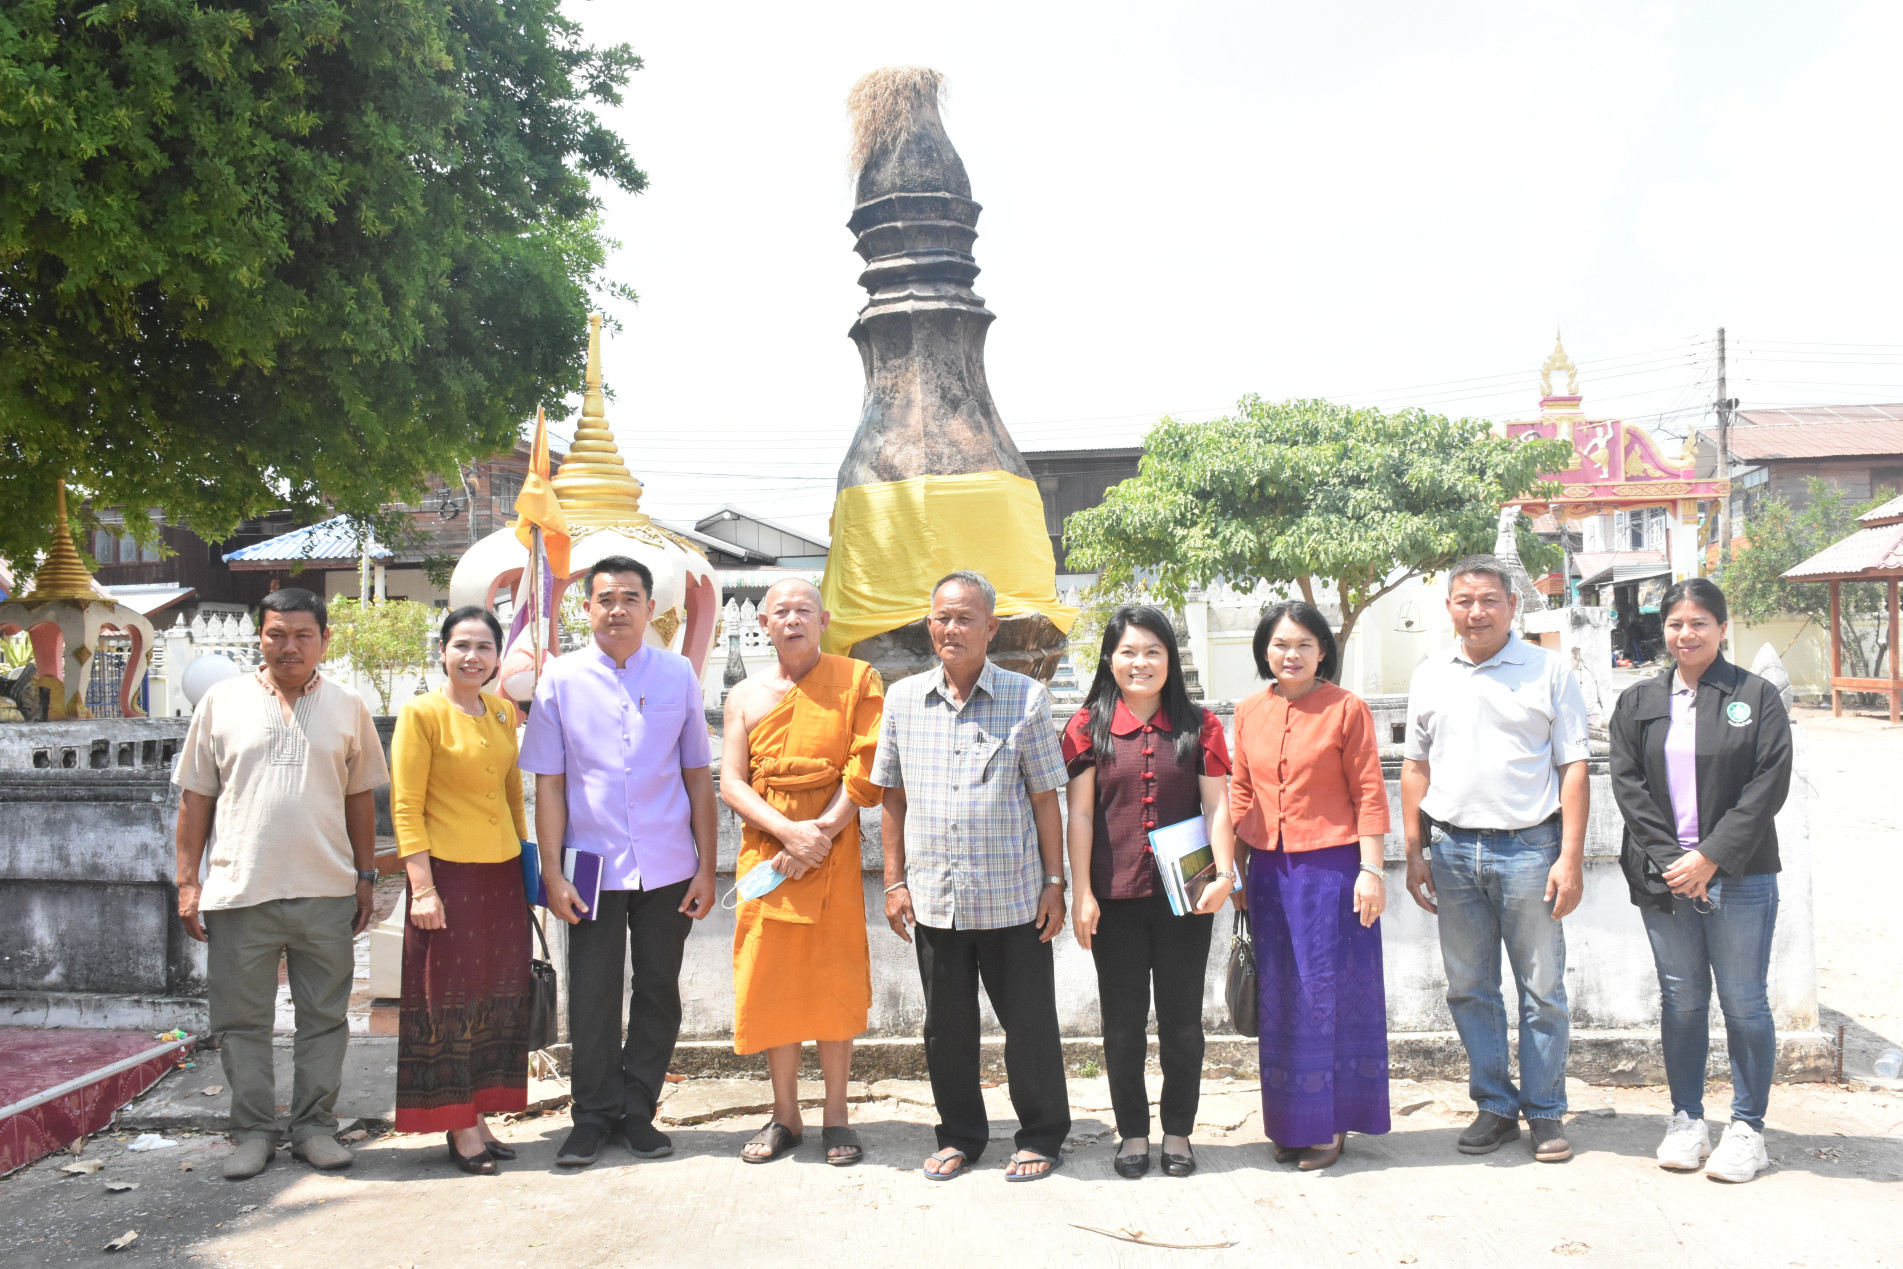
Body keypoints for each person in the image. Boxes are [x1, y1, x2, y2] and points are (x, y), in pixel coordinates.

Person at [173, 587, 389, 1181]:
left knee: (324, 1018)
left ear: (324, 640)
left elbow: (360, 800)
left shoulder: (348, 705)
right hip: (241, 890)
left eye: (303, 635)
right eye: (277, 634)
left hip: (326, 890)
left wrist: (365, 879)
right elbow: (196, 799)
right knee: (241, 1021)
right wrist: (187, 882)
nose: (289, 646)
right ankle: (252, 1131)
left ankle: (315, 1127)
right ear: (259, 638)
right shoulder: (221, 702)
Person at [520, 556, 718, 1169]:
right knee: (593, 991)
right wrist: (550, 872)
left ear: (650, 608)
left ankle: (639, 1108)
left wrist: (708, 868)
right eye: (605, 599)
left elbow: (697, 779)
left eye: (630, 598)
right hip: (590, 867)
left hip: (668, 863)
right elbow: (549, 785)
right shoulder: (560, 680)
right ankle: (593, 1114)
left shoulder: (677, 674)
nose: (617, 609)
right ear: (587, 609)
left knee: (658, 987)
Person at [874, 570, 1071, 1182]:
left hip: (1013, 898)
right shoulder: (904, 700)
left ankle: (1040, 1134)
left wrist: (1054, 884)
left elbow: (1046, 799)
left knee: (1030, 1026)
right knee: (947, 1032)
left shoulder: (1026, 699)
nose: (951, 628)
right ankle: (961, 1134)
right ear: (928, 625)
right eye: (941, 617)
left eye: (964, 618)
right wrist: (894, 881)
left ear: (991, 627)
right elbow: (892, 799)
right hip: (936, 898)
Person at [1401, 555, 1590, 1163]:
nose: (1475, 612)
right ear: (1450, 608)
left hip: (1531, 848)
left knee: (1542, 989)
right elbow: (1414, 766)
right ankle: (1494, 1105)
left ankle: (1545, 1111)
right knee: (1469, 988)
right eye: (1463, 601)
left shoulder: (1548, 670)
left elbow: (1574, 767)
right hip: (1452, 849)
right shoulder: (1430, 673)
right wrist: (1414, 850)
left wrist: (1571, 857)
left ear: (1513, 606)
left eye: (1488, 600)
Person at [1609, 577, 1792, 1184]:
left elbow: (1768, 784)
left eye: (1698, 623)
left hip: (1738, 874)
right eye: (1674, 624)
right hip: (1667, 881)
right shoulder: (1639, 701)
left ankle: (1748, 1127)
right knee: (1683, 1003)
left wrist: (1710, 857)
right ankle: (1687, 1117)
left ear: (1722, 626)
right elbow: (1628, 787)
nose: (1685, 634)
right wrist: (1674, 861)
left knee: (1744, 1003)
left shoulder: (1755, 696)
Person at [1062, 605, 1236, 1179]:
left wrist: (1223, 876)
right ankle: (1133, 1131)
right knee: (1122, 1023)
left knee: (1184, 1022)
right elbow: (1082, 815)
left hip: (1185, 897)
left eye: (1153, 652)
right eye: (1128, 652)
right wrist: (1080, 893)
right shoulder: (1086, 727)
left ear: (1171, 659)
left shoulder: (1201, 726)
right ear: (1110, 659)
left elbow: (1217, 806)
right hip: (1114, 899)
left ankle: (1179, 1132)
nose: (1140, 663)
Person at [720, 579, 885, 1166]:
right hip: (767, 854)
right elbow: (732, 782)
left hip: (832, 853)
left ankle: (836, 1116)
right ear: (762, 623)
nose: (793, 621)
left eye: (804, 611)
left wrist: (818, 835)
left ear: (824, 619)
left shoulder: (857, 680)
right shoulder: (742, 695)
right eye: (781, 612)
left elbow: (865, 770)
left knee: (832, 981)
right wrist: (789, 834)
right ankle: (785, 1114)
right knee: (772, 980)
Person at [1230, 601, 1391, 1170]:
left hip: (1333, 871)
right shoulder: (1249, 711)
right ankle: (1292, 1122)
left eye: (1302, 644)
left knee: (1325, 992)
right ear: (1264, 652)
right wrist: (1236, 871)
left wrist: (1371, 870)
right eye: (1279, 644)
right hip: (1269, 875)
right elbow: (1240, 795)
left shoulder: (1347, 709)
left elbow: (1369, 792)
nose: (1290, 654)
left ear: (1323, 649)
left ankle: (1328, 1125)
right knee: (1282, 997)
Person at [391, 606, 533, 1175]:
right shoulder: (422, 713)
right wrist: (422, 889)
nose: (472, 656)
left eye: (483, 647)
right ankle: (458, 1124)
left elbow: (514, 797)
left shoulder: (502, 712)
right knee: (444, 1002)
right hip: (446, 877)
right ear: (443, 652)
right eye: (461, 645)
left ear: (498, 657)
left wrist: (529, 877)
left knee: (493, 1000)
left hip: (500, 878)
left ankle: (479, 1113)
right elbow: (405, 807)